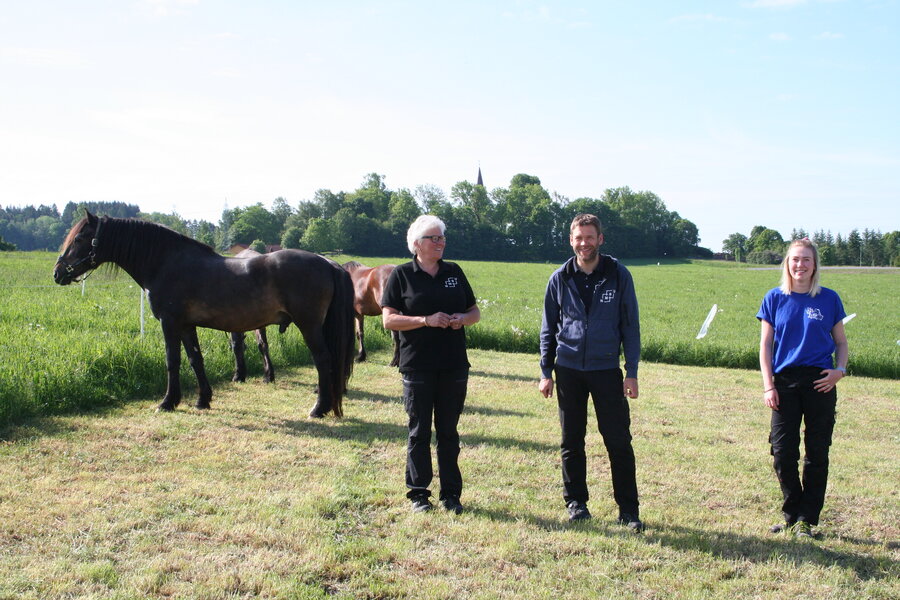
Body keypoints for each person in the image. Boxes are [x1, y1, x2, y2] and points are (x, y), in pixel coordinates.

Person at [538, 213, 643, 529]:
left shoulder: (618, 275)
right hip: (567, 368)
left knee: (618, 440)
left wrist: (632, 371)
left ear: (600, 239)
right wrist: (546, 371)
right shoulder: (560, 278)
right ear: (571, 241)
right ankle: (576, 504)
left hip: (606, 368)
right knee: (572, 440)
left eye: (589, 237)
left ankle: (628, 511)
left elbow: (630, 325)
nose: (584, 243)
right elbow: (548, 328)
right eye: (578, 238)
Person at [382, 215, 481, 514]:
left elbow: (474, 311)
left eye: (442, 238)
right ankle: (418, 494)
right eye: (433, 238)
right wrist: (425, 320)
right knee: (419, 431)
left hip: (453, 365)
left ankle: (451, 495)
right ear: (416, 244)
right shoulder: (401, 275)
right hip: (418, 365)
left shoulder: (454, 272)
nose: (440, 242)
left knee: (449, 432)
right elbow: (389, 320)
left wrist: (461, 319)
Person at [757, 238, 849, 539]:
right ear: (788, 263)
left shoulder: (828, 298)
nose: (800, 265)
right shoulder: (774, 298)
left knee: (817, 453)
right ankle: (791, 513)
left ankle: (806, 521)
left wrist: (839, 371)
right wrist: (768, 386)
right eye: (795, 259)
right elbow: (766, 345)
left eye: (806, 260)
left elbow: (841, 343)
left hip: (820, 383)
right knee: (783, 452)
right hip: (784, 383)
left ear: (814, 265)